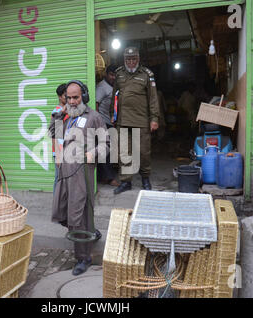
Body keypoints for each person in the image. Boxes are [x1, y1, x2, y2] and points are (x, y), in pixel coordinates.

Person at [51, 80, 109, 276]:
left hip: (82, 173)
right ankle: (91, 231)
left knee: (79, 213)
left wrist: (93, 153)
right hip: (64, 173)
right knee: (64, 211)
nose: (73, 101)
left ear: (83, 96)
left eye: (76, 97)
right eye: (69, 98)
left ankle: (83, 258)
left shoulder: (94, 117)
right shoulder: (66, 116)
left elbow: (106, 144)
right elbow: (55, 135)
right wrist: (57, 119)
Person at [110, 47, 161, 194]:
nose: (131, 62)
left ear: (138, 59)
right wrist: (113, 115)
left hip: (141, 121)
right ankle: (126, 181)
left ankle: (145, 178)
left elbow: (153, 98)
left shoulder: (146, 75)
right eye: (128, 59)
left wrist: (154, 118)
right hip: (123, 120)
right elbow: (115, 96)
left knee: (144, 152)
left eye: (134, 59)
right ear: (124, 60)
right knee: (124, 152)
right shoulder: (119, 74)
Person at [96, 65, 119, 186]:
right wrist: (98, 123)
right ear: (106, 74)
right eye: (111, 75)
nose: (113, 77)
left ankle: (103, 177)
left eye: (115, 75)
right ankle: (109, 178)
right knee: (106, 152)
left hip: (110, 123)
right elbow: (96, 104)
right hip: (102, 123)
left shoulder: (113, 87)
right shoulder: (102, 87)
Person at [49, 84, 68, 191]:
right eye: (66, 96)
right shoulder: (58, 112)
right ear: (60, 97)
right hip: (60, 152)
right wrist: (57, 155)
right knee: (59, 178)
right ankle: (56, 202)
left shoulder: (66, 110)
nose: (69, 98)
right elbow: (55, 135)